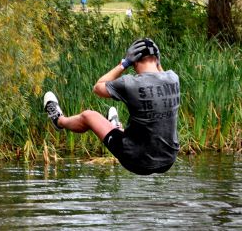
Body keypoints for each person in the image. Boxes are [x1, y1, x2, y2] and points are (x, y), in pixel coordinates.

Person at [44, 38, 180, 175]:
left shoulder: (129, 83)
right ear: (157, 60)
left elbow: (98, 88)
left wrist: (123, 64)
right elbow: (161, 73)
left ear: (134, 62)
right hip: (168, 160)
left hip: (136, 162)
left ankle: (59, 120)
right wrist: (158, 61)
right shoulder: (174, 78)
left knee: (89, 116)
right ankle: (116, 128)